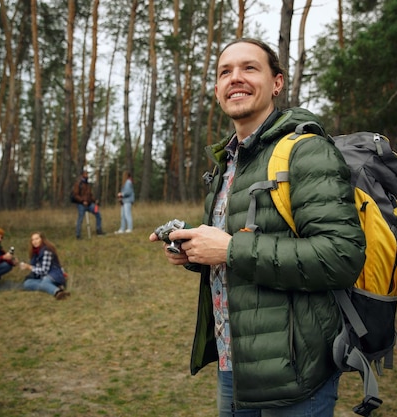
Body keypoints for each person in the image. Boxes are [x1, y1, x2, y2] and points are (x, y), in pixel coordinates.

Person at [149, 38, 366, 417]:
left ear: (277, 82)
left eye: (249, 68)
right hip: (235, 364)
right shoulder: (227, 162)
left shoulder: (306, 150)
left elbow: (342, 256)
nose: (236, 78)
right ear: (217, 90)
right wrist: (195, 248)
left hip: (296, 373)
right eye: (224, 72)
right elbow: (241, 249)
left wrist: (229, 249)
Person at [19, 232, 70, 300]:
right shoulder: (35, 252)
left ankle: (57, 292)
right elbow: (35, 266)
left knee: (44, 282)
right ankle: (54, 287)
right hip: (43, 277)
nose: (34, 241)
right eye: (32, 240)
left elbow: (44, 270)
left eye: (37, 239)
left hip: (54, 274)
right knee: (27, 284)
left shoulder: (47, 251)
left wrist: (29, 267)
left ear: (42, 239)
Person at [72, 170, 105, 239]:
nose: (87, 176)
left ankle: (99, 230)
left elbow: (90, 195)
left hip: (89, 204)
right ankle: (78, 234)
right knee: (80, 218)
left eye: (87, 174)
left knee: (98, 213)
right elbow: (75, 195)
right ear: (82, 175)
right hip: (81, 204)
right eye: (86, 174)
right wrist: (82, 201)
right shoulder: (78, 184)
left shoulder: (88, 184)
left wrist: (95, 200)